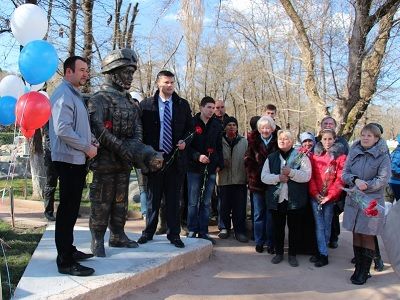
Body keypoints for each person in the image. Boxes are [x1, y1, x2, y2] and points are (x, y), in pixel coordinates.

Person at [87, 48, 163, 257]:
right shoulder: (99, 99)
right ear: (113, 73)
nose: (130, 77)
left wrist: (135, 146)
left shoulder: (129, 101)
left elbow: (138, 125)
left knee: (121, 200)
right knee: (102, 201)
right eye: (126, 72)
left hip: (125, 161)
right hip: (105, 161)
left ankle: (118, 234)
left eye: (131, 72)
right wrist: (120, 148)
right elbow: (98, 127)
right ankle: (97, 239)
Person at [49, 56, 97, 276]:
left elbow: (75, 126)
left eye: (87, 70)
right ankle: (65, 262)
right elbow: (62, 129)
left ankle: (68, 250)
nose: (85, 74)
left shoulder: (73, 94)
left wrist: (91, 140)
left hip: (74, 159)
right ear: (69, 72)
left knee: (71, 210)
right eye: (81, 70)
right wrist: (87, 148)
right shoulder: (63, 94)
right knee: (67, 212)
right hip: (68, 160)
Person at [137, 70, 192, 248]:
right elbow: (140, 133)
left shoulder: (182, 105)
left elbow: (191, 130)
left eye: (172, 83)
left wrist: (185, 141)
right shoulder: (146, 105)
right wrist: (146, 154)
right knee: (153, 198)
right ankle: (148, 232)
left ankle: (174, 234)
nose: (170, 86)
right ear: (158, 83)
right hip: (154, 158)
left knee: (174, 200)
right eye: (166, 82)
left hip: (175, 158)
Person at [342, 123, 391, 285]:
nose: (365, 138)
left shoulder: (383, 155)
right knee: (356, 232)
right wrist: (355, 180)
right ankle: (359, 268)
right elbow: (345, 173)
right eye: (363, 134)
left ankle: (365, 271)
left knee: (367, 234)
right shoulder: (354, 151)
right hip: (354, 198)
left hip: (371, 202)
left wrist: (367, 185)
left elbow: (383, 179)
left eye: (369, 135)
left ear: (376, 138)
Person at [261, 130, 312, 267]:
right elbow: (264, 177)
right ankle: (278, 253)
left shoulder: (301, 156)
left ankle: (292, 254)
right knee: (278, 227)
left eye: (286, 139)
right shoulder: (271, 157)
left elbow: (307, 176)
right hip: (277, 199)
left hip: (295, 200)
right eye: (280, 139)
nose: (282, 141)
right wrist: (278, 178)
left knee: (294, 228)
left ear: (291, 141)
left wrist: (292, 173)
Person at [186, 96, 224, 245]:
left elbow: (219, 147)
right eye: (208, 107)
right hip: (194, 167)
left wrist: (219, 163)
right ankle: (192, 229)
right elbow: (187, 146)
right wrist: (197, 156)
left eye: (213, 108)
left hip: (211, 167)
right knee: (193, 200)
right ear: (201, 107)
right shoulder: (192, 123)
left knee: (206, 201)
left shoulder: (216, 124)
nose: (211, 110)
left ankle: (203, 231)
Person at [308, 129, 346, 267]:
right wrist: (315, 193)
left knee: (327, 224)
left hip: (330, 197)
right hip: (316, 196)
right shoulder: (315, 156)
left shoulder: (340, 157)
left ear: (335, 139)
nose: (327, 142)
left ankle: (323, 252)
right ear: (320, 140)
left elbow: (340, 179)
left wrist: (330, 195)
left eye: (330, 139)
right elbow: (311, 176)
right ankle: (321, 252)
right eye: (324, 139)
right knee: (319, 225)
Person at [244, 116, 278, 254]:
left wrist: (272, 175)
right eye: (263, 127)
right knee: (258, 214)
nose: (265, 130)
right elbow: (247, 160)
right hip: (257, 183)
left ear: (272, 128)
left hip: (273, 183)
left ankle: (270, 242)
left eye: (268, 127)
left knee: (271, 214)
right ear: (259, 129)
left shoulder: (277, 142)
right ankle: (259, 241)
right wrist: (256, 174)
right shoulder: (252, 142)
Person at [216, 116, 248, 243]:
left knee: (239, 207)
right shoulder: (219, 140)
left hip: (240, 179)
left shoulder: (244, 141)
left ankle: (239, 230)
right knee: (223, 206)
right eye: (229, 124)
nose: (232, 127)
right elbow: (215, 155)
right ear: (225, 127)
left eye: (234, 125)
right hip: (223, 179)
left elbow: (248, 159)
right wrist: (221, 162)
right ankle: (224, 227)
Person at [319, 116, 349, 249]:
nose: (328, 125)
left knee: (333, 213)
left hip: (335, 184)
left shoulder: (341, 142)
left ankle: (333, 237)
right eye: (325, 123)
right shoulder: (316, 141)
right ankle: (320, 241)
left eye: (331, 123)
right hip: (319, 184)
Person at [42, 121, 58, 221]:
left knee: (66, 184)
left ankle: (67, 210)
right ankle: (48, 211)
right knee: (51, 184)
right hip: (51, 154)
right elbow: (49, 135)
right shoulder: (47, 118)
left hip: (62, 154)